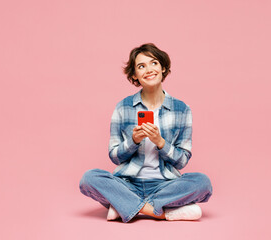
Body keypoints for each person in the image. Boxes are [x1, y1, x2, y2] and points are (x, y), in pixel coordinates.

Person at [79, 43, 213, 223]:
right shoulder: (123, 107)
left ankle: (123, 206)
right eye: (141, 66)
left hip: (166, 185)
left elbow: (182, 161)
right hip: (127, 184)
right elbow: (114, 157)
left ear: (163, 67)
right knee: (89, 178)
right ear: (135, 75)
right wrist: (133, 141)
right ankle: (162, 213)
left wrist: (161, 143)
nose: (149, 70)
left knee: (202, 182)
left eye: (154, 63)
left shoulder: (182, 109)